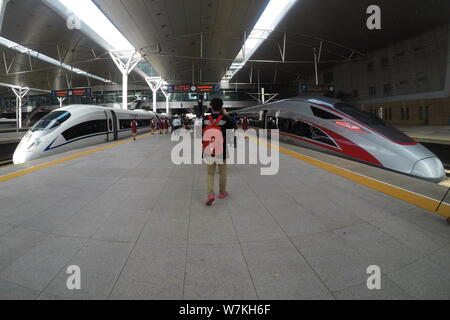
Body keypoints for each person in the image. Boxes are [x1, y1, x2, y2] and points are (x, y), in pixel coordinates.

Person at [203, 98, 234, 206]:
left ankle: (210, 194)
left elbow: (200, 135)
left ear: (211, 107)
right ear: (221, 107)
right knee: (223, 173)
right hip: (222, 150)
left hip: (208, 150)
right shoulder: (226, 119)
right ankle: (222, 193)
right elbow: (230, 136)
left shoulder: (205, 119)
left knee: (210, 174)